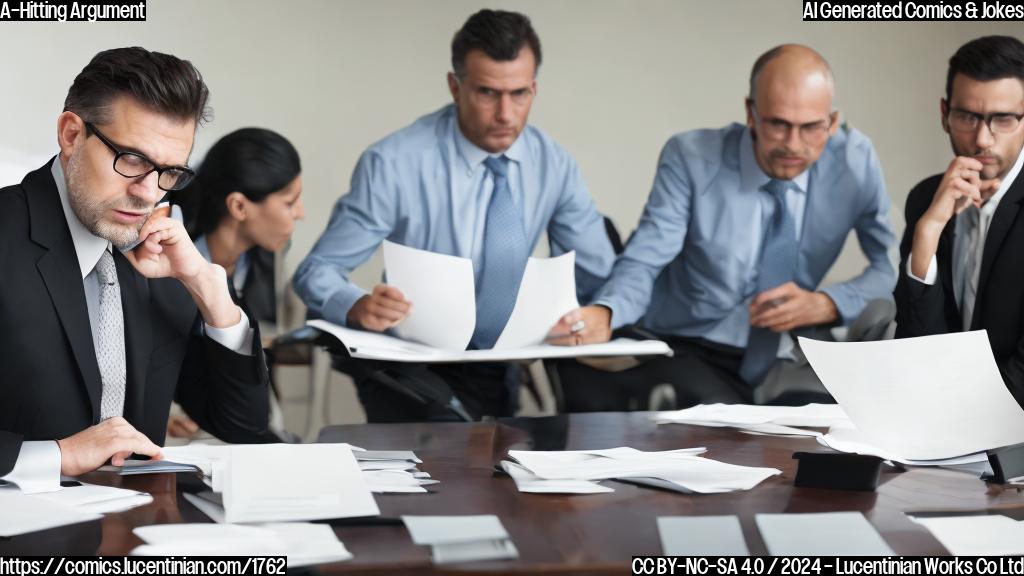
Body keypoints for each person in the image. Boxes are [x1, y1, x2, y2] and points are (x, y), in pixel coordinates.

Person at [294, 9, 615, 422]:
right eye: (487, 93)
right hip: (411, 361)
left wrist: (598, 312)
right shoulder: (393, 162)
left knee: (506, 468)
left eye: (519, 94)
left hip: (500, 360)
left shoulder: (555, 165)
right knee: (449, 459)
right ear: (455, 86)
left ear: (534, 88)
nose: (505, 114)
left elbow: (601, 278)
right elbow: (316, 271)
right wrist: (357, 305)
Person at [553, 44, 897, 409]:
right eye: (778, 124)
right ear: (751, 113)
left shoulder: (855, 163)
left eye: (811, 127)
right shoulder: (691, 158)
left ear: (831, 121)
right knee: (722, 428)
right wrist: (607, 311)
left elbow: (890, 269)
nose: (793, 145)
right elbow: (645, 259)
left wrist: (828, 303)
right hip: (687, 345)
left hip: (783, 355)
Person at [0, 47, 271, 487]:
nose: (149, 192)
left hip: (139, 535)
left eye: (169, 172)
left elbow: (242, 423)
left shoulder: (164, 261)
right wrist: (56, 456)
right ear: (71, 134)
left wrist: (207, 287)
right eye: (132, 159)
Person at [894, 35, 1024, 407]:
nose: (982, 139)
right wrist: (928, 230)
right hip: (942, 429)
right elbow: (916, 352)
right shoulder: (926, 200)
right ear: (944, 115)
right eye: (967, 116)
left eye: (1003, 118)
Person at [167, 127, 305, 439]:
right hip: (183, 430)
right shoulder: (168, 269)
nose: (301, 214)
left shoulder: (263, 261)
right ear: (239, 206)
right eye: (289, 202)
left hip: (238, 420)